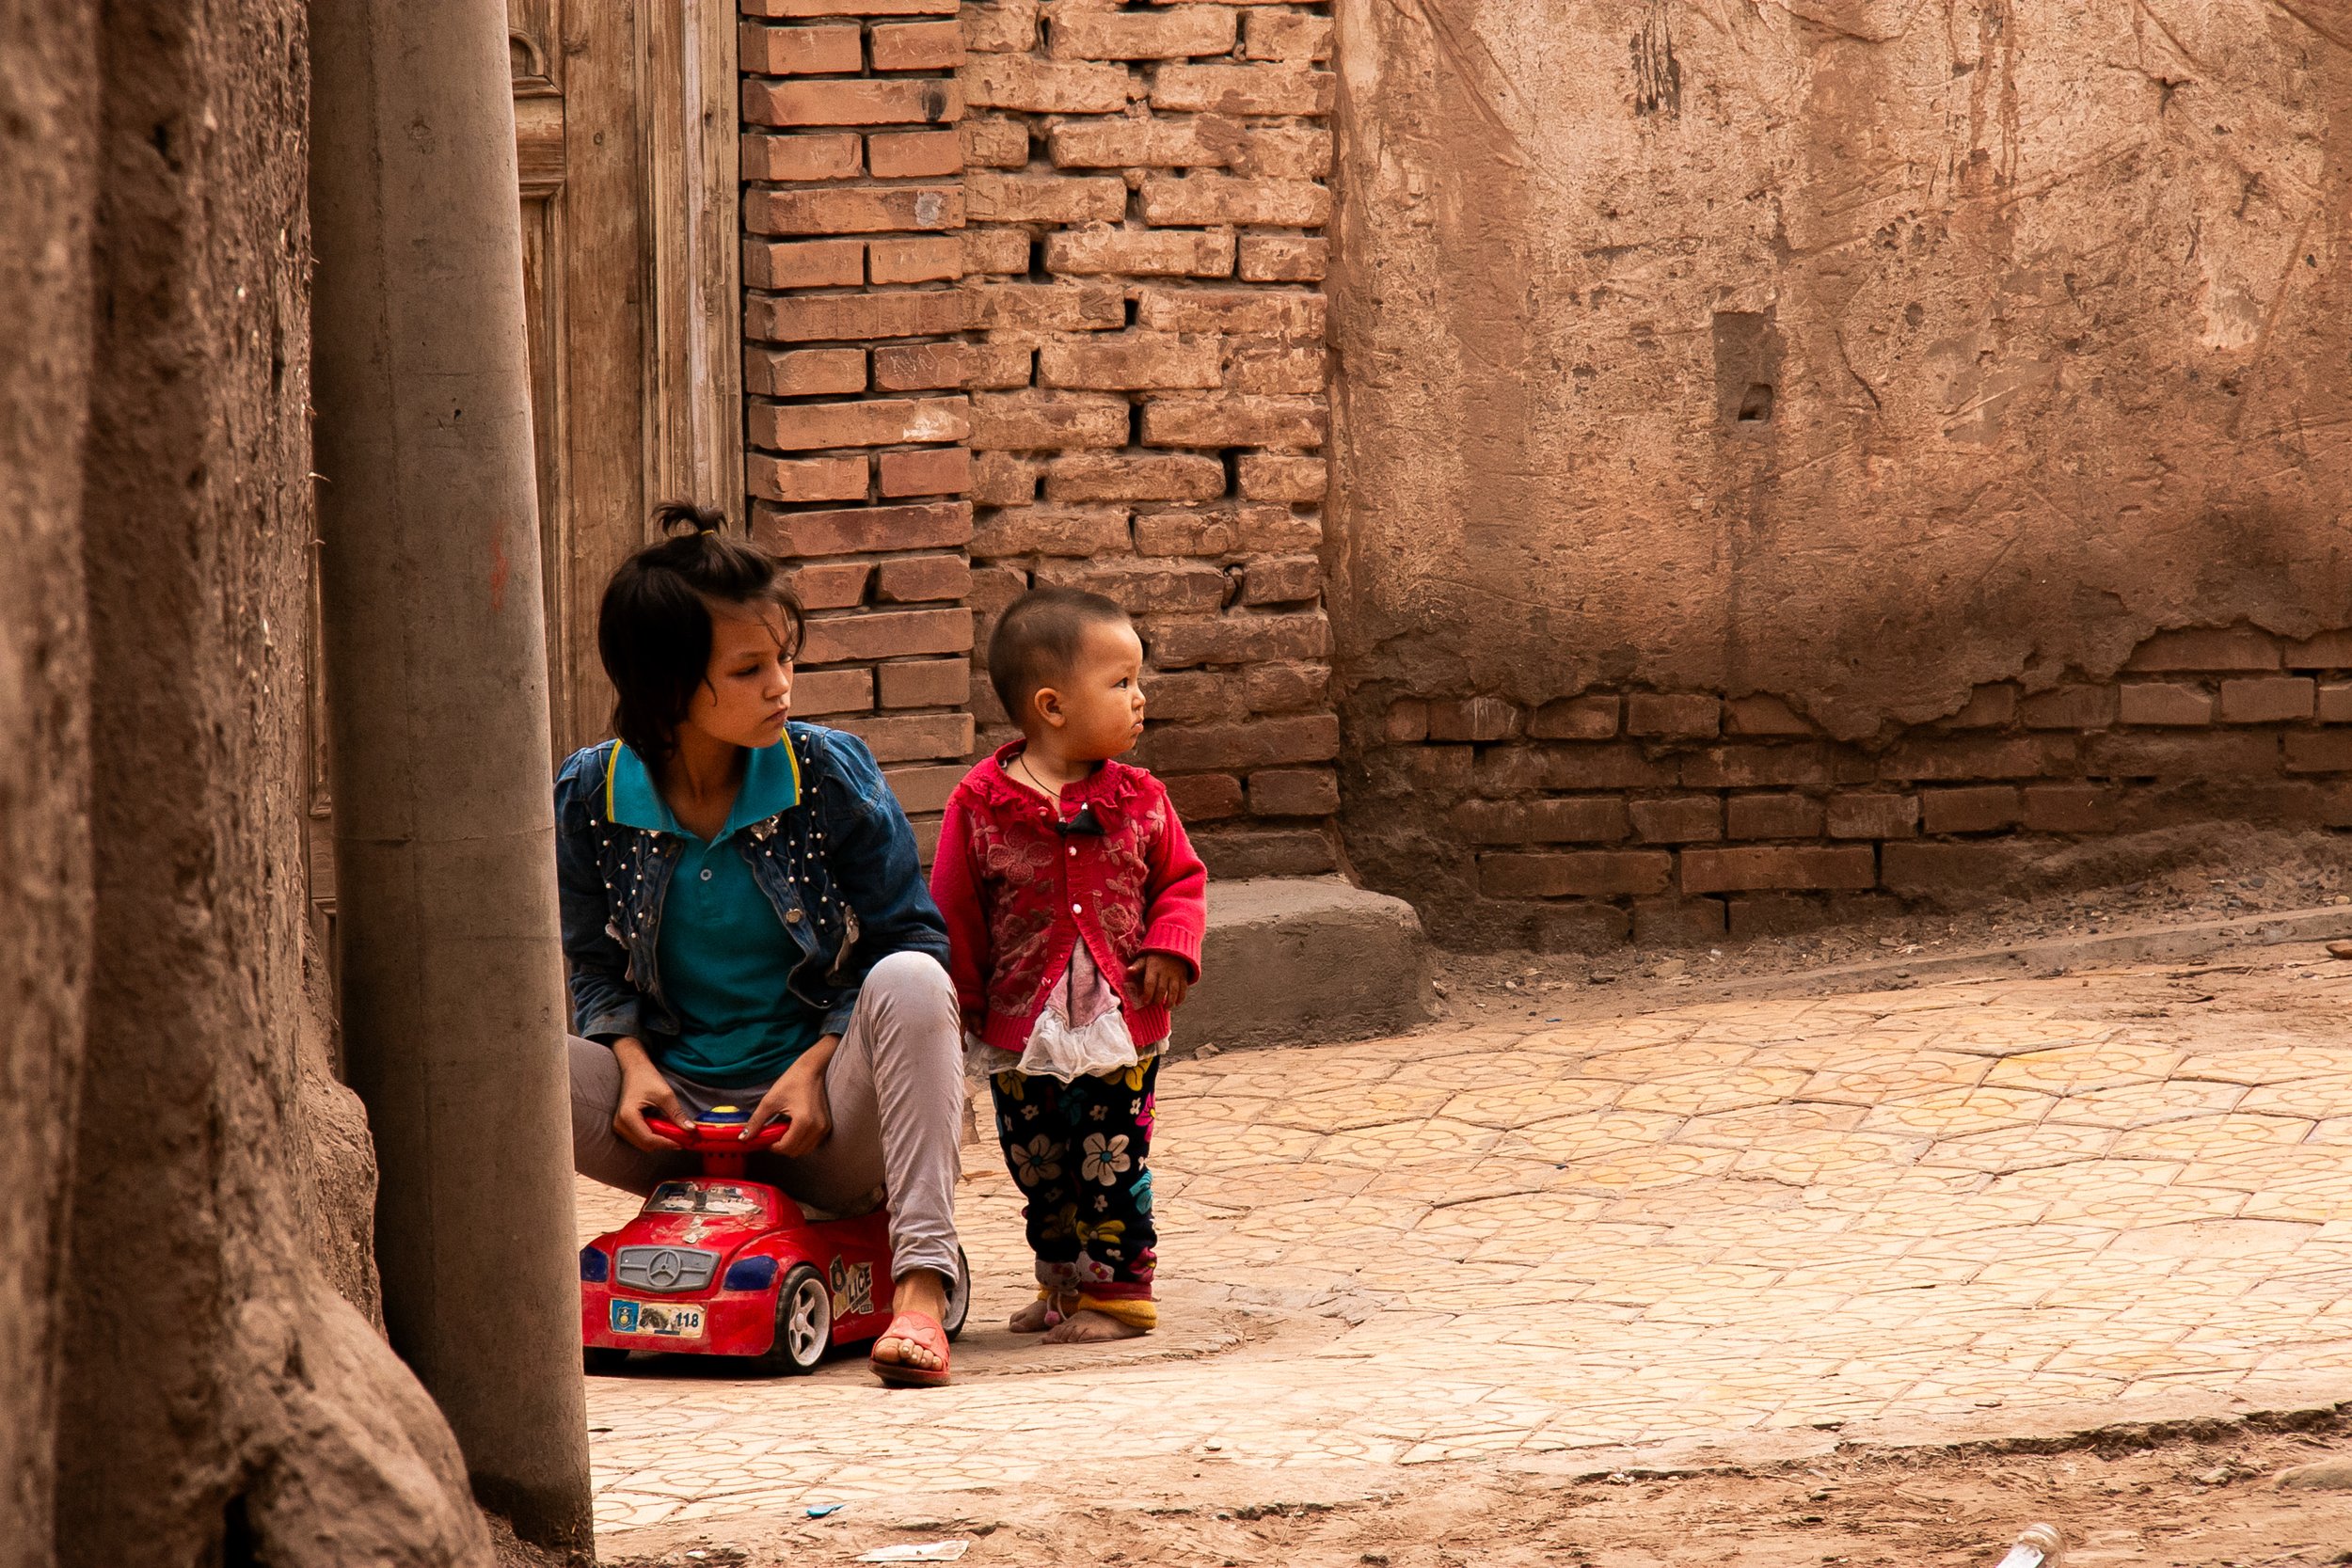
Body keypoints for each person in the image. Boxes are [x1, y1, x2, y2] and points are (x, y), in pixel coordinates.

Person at [556, 504, 964, 1387]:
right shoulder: (590, 793)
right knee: (509, 1055)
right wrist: (627, 1059)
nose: (782, 685)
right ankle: (529, 1299)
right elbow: (592, 962)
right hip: (677, 1124)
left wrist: (819, 1062)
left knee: (912, 978)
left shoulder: (828, 772)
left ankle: (923, 1285)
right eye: (749, 668)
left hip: (821, 1125)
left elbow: (912, 934)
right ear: (666, 688)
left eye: (786, 658)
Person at [929, 587, 1207, 1344]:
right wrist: (963, 1004)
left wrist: (1171, 946)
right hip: (1022, 1026)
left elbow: (1180, 880)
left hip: (1120, 1024)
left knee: (1109, 1159)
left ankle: (1119, 1294)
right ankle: (1061, 1282)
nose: (1140, 698)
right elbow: (954, 910)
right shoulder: (980, 804)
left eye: (1137, 680)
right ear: (1051, 706)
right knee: (1038, 1163)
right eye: (1121, 683)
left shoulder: (1140, 797)